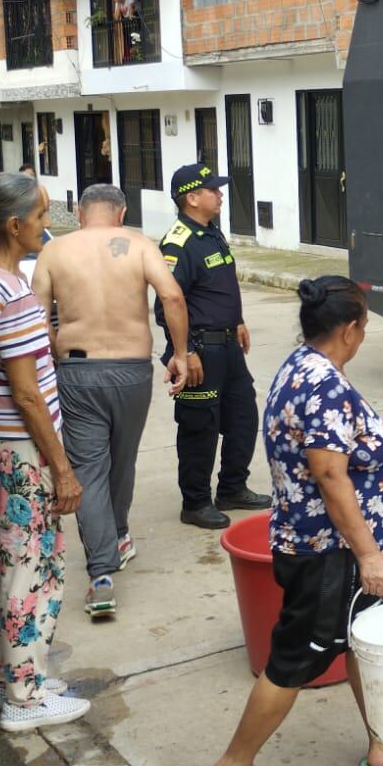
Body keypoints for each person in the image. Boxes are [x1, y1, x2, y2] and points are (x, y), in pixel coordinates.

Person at [204, 277, 383, 766]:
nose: (365, 335)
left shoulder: (302, 365)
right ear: (350, 329)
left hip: (327, 545)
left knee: (359, 641)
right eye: (365, 326)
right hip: (327, 551)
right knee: (293, 659)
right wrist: (369, 555)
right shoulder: (323, 386)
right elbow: (331, 477)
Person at [0, 173, 91, 731]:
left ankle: (2, 676)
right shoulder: (15, 297)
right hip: (24, 451)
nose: (46, 227)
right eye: (41, 216)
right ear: (14, 225)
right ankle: (25, 698)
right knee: (33, 567)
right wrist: (62, 469)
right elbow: (28, 393)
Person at [32, 183, 191, 618]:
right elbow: (172, 296)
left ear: (81, 215)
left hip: (78, 371)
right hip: (132, 369)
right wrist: (179, 353)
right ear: (120, 214)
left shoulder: (54, 252)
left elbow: (38, 319)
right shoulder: (139, 245)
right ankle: (118, 535)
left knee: (89, 468)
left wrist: (51, 363)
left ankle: (101, 575)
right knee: (123, 459)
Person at [155, 163, 268, 530]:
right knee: (199, 428)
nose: (220, 194)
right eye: (212, 190)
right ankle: (196, 502)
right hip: (201, 351)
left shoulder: (210, 233)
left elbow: (215, 288)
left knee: (243, 418)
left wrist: (237, 320)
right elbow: (167, 304)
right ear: (192, 197)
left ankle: (232, 488)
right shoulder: (178, 243)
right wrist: (183, 350)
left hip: (229, 347)